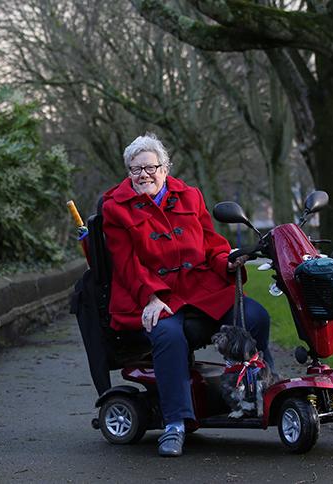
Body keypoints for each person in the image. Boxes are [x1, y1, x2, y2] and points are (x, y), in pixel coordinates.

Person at [102, 132, 274, 457]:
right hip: (155, 295)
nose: (143, 175)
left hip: (200, 288)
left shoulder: (190, 196)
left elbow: (211, 243)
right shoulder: (116, 208)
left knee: (254, 316)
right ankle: (175, 424)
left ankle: (253, 390)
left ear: (165, 168)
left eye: (149, 167)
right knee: (167, 335)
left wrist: (227, 260)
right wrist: (151, 298)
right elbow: (126, 264)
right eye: (134, 169)